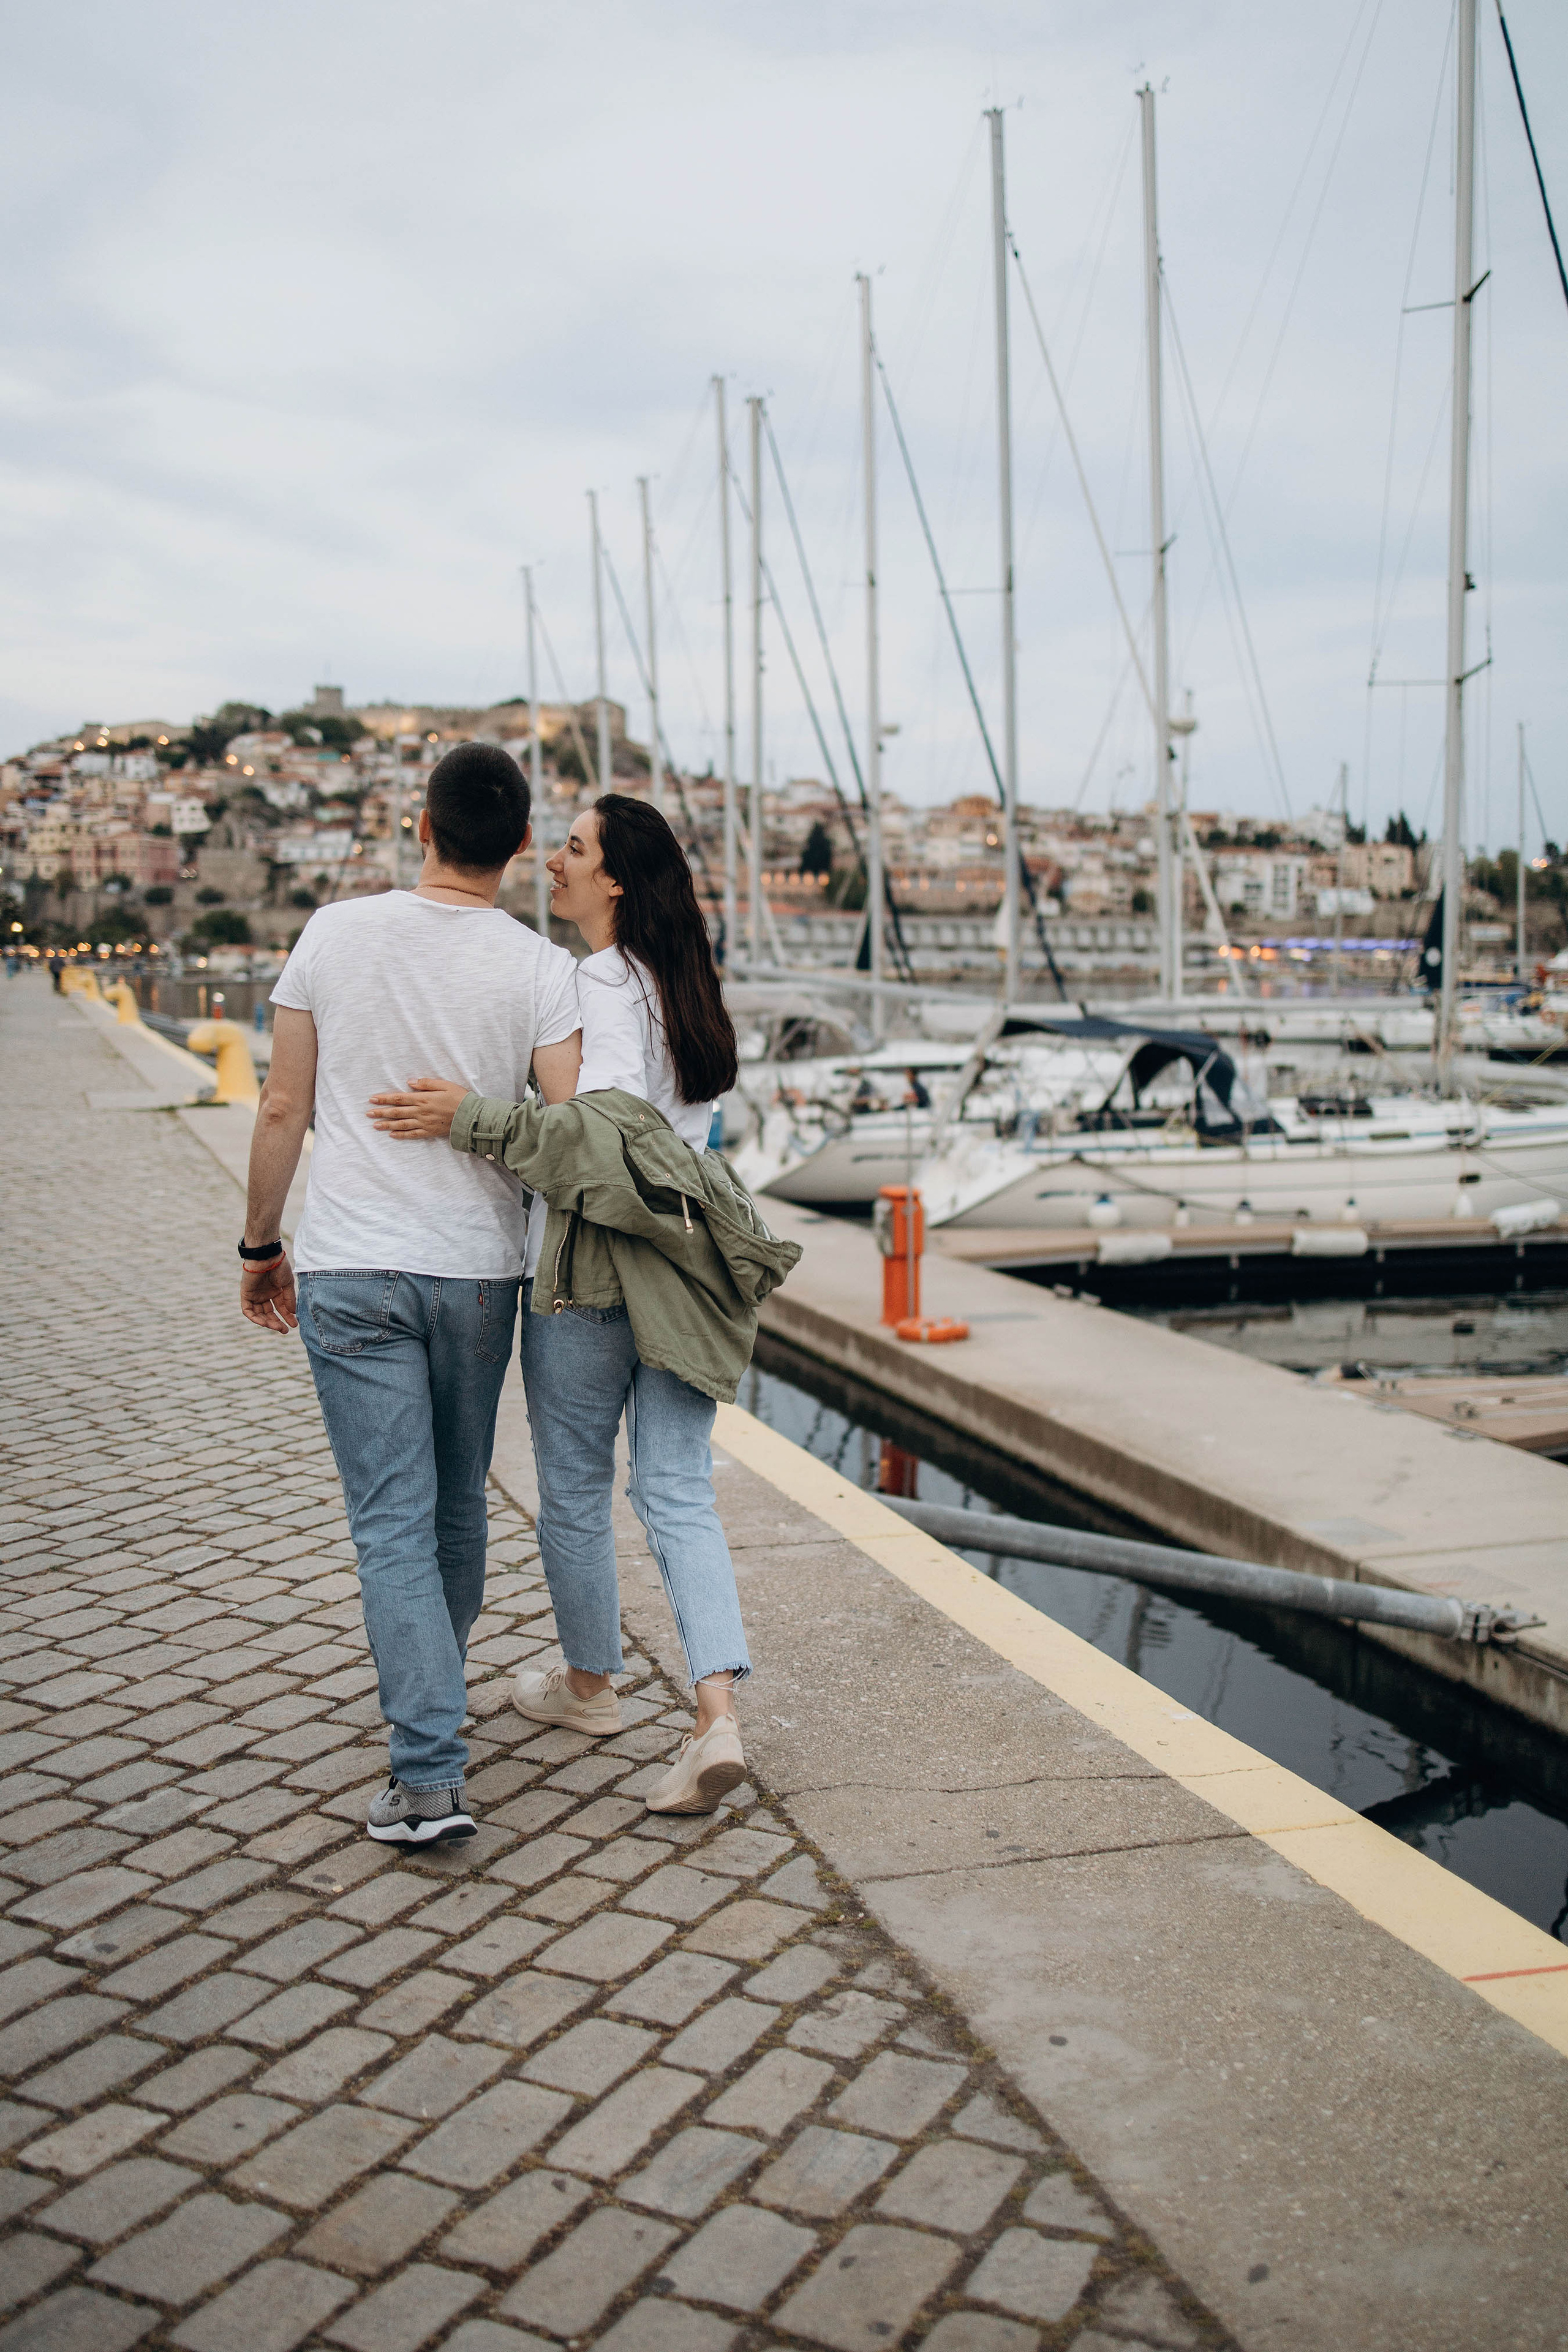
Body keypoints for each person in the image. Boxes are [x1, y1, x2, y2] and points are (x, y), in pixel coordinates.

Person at [369, 793, 799, 1815]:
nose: (552, 863)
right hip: (690, 1270)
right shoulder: (687, 985)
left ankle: (592, 1690)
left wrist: (469, 1118)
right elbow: (670, 1137)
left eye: (572, 849)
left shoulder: (597, 981)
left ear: (614, 879)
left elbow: (598, 1132)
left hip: (594, 1264)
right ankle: (715, 1715)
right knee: (676, 1489)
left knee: (571, 1488)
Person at [239, 744, 581, 1845]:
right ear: (522, 848)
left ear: (421, 829)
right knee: (455, 1504)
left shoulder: (334, 933)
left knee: (391, 1519)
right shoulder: (540, 967)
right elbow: (566, 1137)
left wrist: (259, 1245)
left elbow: (282, 1107)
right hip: (478, 1273)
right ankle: (431, 1699)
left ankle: (428, 1768)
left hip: (349, 1264)